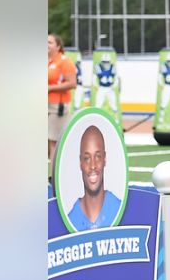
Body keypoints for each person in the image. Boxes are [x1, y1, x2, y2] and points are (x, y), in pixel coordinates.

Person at [65, 125, 122, 231]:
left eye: (98, 157)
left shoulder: (119, 209)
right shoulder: (70, 219)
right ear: (80, 162)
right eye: (87, 158)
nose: (93, 166)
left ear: (104, 159)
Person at [48, 34, 77, 169]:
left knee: (54, 141)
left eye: (50, 42)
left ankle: (53, 176)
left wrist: (50, 88)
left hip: (57, 106)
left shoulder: (64, 61)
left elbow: (72, 83)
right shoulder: (47, 62)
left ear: (58, 46)